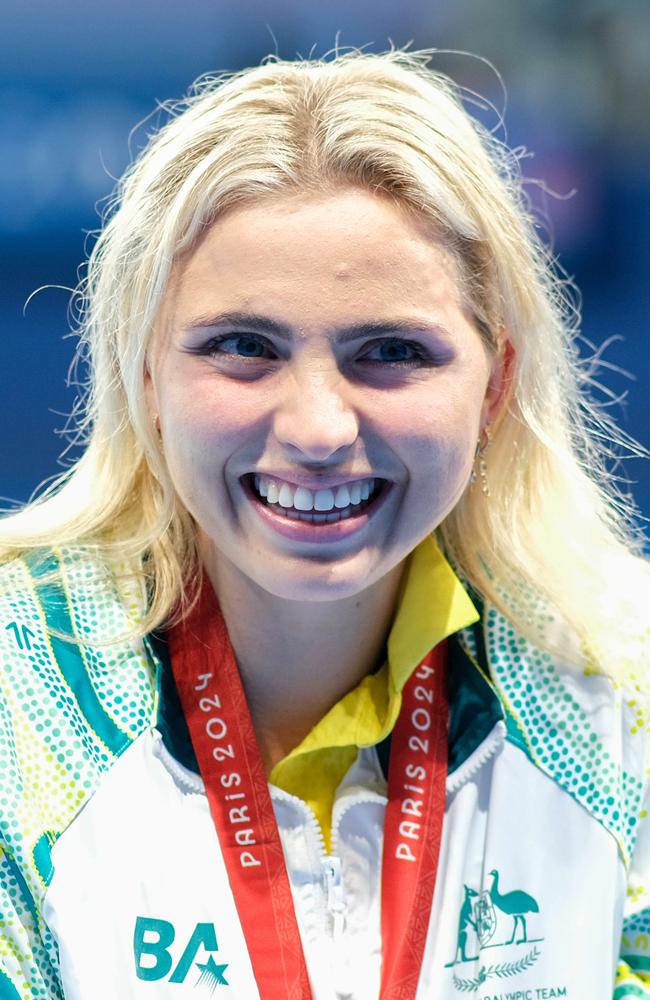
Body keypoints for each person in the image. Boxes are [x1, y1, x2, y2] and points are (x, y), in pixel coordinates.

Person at [0, 48, 648, 1000]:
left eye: (390, 352)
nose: (316, 428)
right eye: (243, 348)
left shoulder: (619, 695)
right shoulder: (19, 710)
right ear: (146, 377)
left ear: (496, 386)